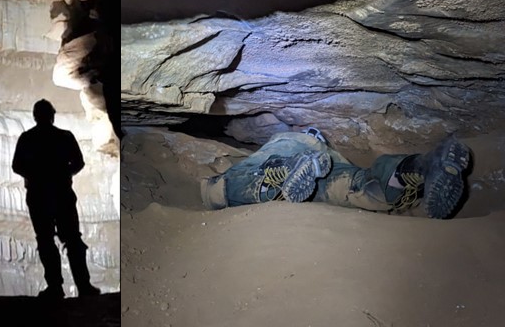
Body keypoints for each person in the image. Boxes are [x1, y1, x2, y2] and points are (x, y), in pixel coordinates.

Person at [201, 127, 472, 219]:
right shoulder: (329, 151)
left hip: (296, 151)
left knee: (219, 190)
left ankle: (286, 167)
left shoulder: (286, 136)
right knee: (364, 187)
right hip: (328, 162)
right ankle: (421, 166)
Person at [12, 99, 100, 299]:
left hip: (38, 194)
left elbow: (17, 166)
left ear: (35, 116)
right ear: (52, 115)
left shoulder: (28, 138)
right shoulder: (64, 136)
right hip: (61, 193)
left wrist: (34, 175)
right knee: (72, 239)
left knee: (45, 239)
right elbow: (78, 162)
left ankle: (55, 287)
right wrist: (64, 173)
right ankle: (83, 286)